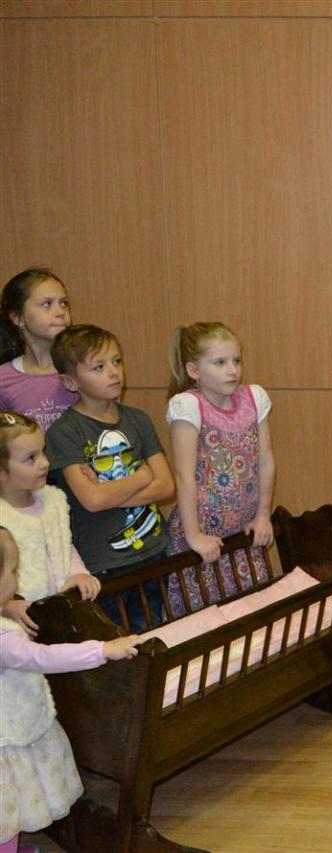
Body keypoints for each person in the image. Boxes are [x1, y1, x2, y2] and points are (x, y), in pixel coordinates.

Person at [0, 526, 142, 853]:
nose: (17, 578)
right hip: (8, 737)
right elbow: (45, 657)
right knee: (7, 807)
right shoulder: (4, 639)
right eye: (13, 571)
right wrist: (103, 650)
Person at [45, 325, 174, 631]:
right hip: (105, 564)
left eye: (116, 361)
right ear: (70, 381)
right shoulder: (64, 432)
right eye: (99, 367)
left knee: (152, 634)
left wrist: (108, 491)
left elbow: (167, 486)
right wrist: (142, 476)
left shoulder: (138, 419)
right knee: (116, 643)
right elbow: (92, 500)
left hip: (154, 550)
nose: (114, 372)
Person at [164, 322, 276, 615]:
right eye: (220, 362)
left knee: (251, 613)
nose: (232, 370)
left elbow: (265, 460)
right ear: (194, 370)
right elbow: (184, 476)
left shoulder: (254, 398)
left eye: (236, 361)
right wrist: (194, 536)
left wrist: (263, 515)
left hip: (241, 535)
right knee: (206, 618)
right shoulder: (188, 405)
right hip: (203, 538)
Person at [0, 413, 100, 634]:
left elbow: (65, 545)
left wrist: (77, 572)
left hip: (58, 616)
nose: (45, 463)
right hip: (17, 629)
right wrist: (5, 606)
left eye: (43, 452)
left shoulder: (52, 501)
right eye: (31, 458)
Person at [0, 268, 78, 430]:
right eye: (47, 304)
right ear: (17, 318)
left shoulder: (84, 367)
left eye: (64, 303)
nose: (60, 312)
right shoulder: (3, 380)